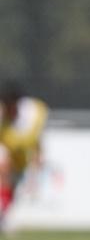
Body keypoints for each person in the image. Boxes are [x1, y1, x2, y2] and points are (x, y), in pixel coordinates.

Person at [0, 82, 48, 222]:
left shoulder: (34, 114)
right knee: (3, 167)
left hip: (20, 158)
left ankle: (3, 217)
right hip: (5, 150)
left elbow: (36, 139)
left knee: (11, 187)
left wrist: (38, 155)